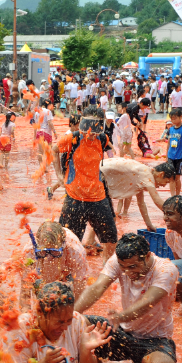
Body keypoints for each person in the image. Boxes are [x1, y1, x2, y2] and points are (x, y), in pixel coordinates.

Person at [75, 233, 179, 363]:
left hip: (155, 339)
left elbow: (148, 302)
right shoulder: (117, 261)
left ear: (148, 256)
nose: (128, 272)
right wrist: (72, 313)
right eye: (123, 267)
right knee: (78, 322)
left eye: (133, 267)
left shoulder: (166, 269)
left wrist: (121, 316)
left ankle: (147, 361)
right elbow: (97, 288)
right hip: (123, 332)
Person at [56, 105, 118, 261]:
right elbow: (53, 149)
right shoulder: (73, 138)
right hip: (75, 197)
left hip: (98, 197)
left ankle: (107, 272)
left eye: (96, 129)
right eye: (87, 128)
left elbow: (109, 150)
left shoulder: (103, 139)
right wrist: (58, 176)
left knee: (110, 238)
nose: (91, 134)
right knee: (68, 240)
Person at [19, 221, 90, 312]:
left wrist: (72, 315)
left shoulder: (75, 251)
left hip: (66, 273)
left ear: (63, 245)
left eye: (54, 252)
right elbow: (25, 294)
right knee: (44, 306)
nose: (49, 258)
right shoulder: (29, 252)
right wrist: (26, 317)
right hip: (40, 274)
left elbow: (79, 287)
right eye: (44, 252)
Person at [100, 159, 176, 232]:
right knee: (108, 216)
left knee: (106, 215)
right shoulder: (147, 176)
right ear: (161, 174)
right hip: (100, 173)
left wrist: (149, 225)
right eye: (166, 182)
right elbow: (157, 200)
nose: (164, 185)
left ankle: (91, 239)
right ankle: (94, 240)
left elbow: (141, 203)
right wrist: (174, 214)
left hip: (100, 172)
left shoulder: (144, 174)